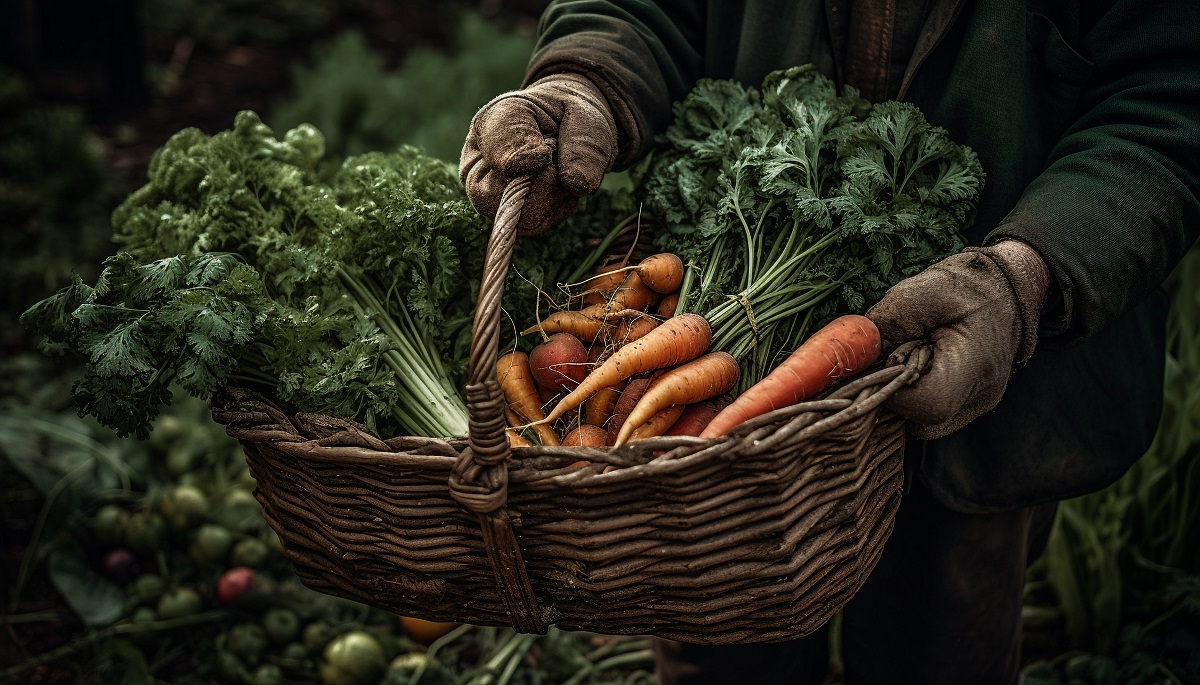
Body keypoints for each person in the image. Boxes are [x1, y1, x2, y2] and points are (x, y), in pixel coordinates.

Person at [459, 1, 1200, 683]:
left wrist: (1023, 278)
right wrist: (584, 82)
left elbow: (1169, 98)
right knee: (724, 661)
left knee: (940, 653)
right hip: (719, 480)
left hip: (989, 394)